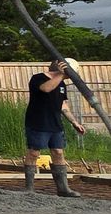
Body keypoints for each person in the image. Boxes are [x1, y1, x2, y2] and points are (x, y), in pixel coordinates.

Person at [24, 59, 86, 197]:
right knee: (34, 152)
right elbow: (46, 88)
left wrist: (74, 122)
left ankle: (63, 189)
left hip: (55, 123)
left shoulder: (62, 83)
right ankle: (29, 189)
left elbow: (63, 105)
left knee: (58, 152)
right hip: (38, 121)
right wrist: (61, 74)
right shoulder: (38, 78)